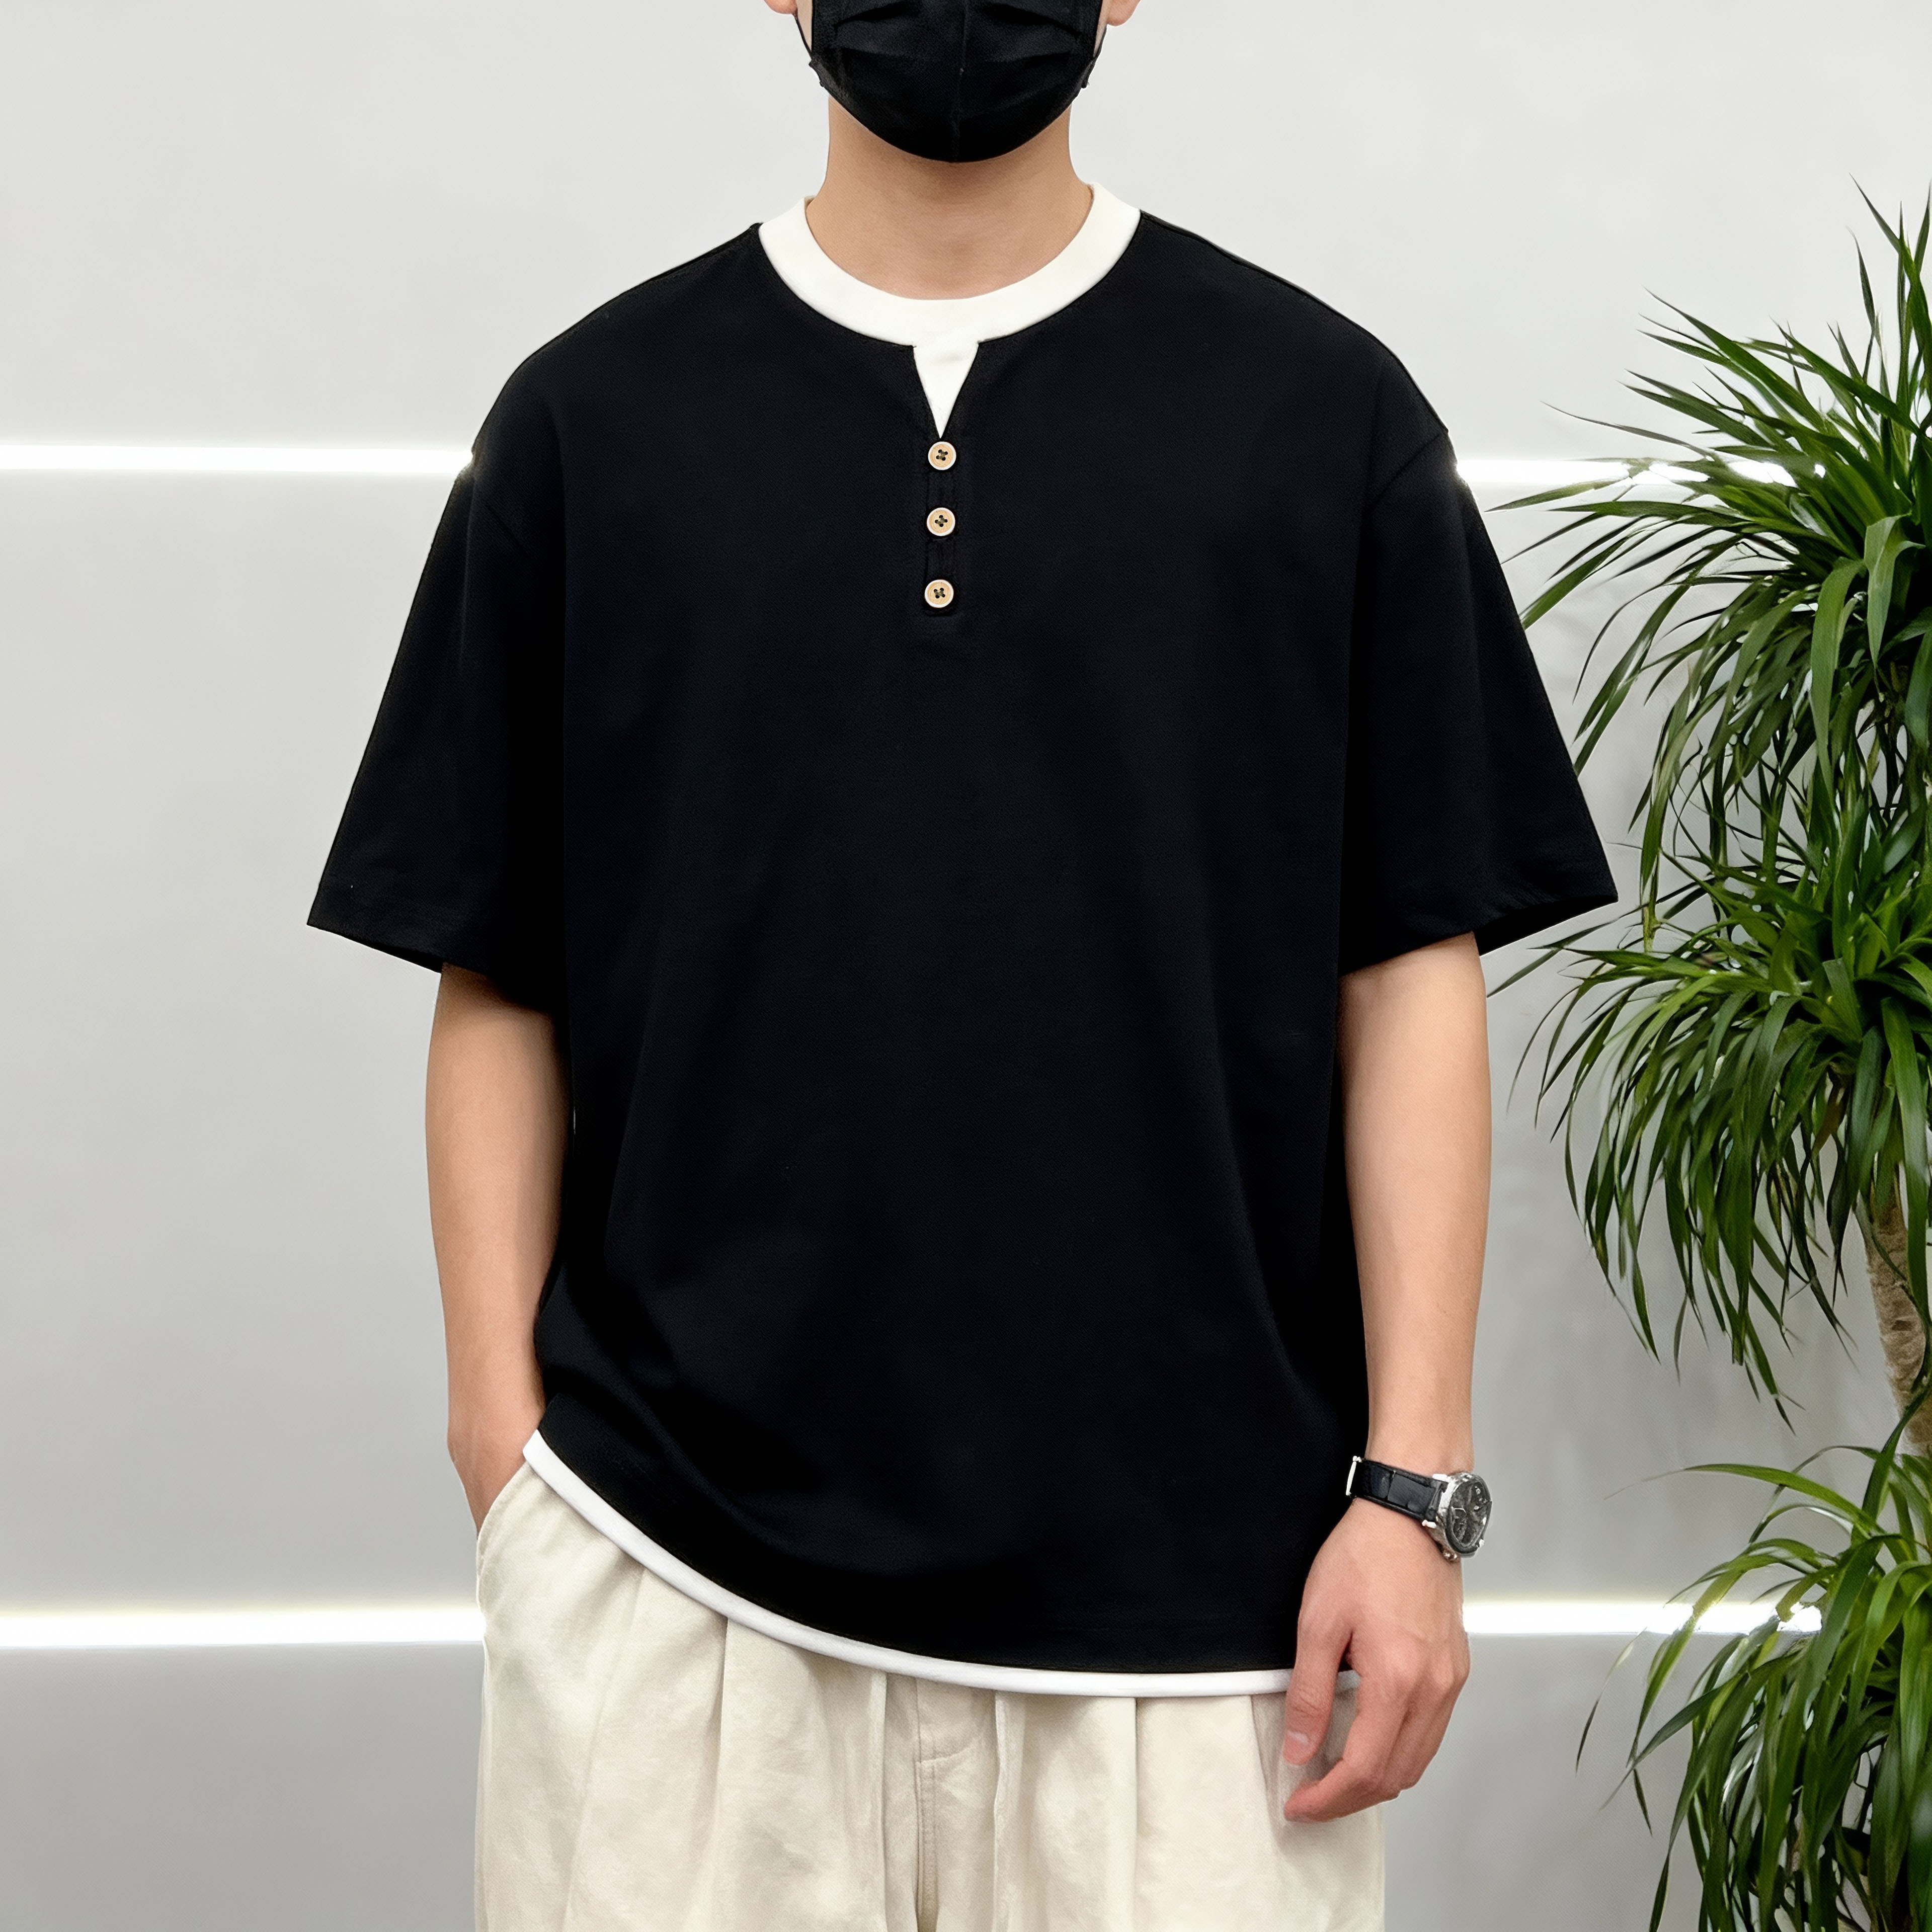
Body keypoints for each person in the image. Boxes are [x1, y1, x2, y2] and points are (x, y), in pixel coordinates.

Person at [309, 2, 1616, 1925]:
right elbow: (500, 971)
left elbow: (1406, 972)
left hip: (1209, 1620)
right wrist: (506, 1460)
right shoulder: (592, 422)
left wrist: (1413, 1494)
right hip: (673, 1588)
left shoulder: (1323, 417)